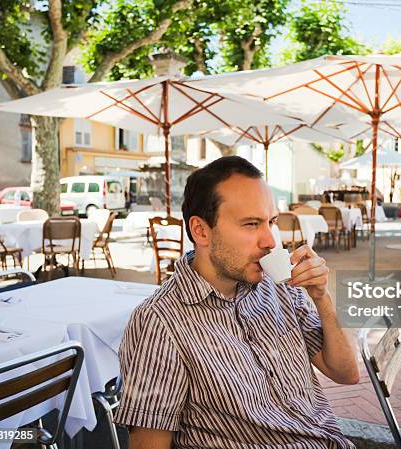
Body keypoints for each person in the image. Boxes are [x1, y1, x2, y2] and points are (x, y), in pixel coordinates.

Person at [115, 156, 359, 449]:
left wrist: (323, 298)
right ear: (201, 231)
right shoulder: (160, 322)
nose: (270, 240)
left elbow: (346, 373)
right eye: (251, 224)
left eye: (271, 222)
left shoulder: (279, 287)